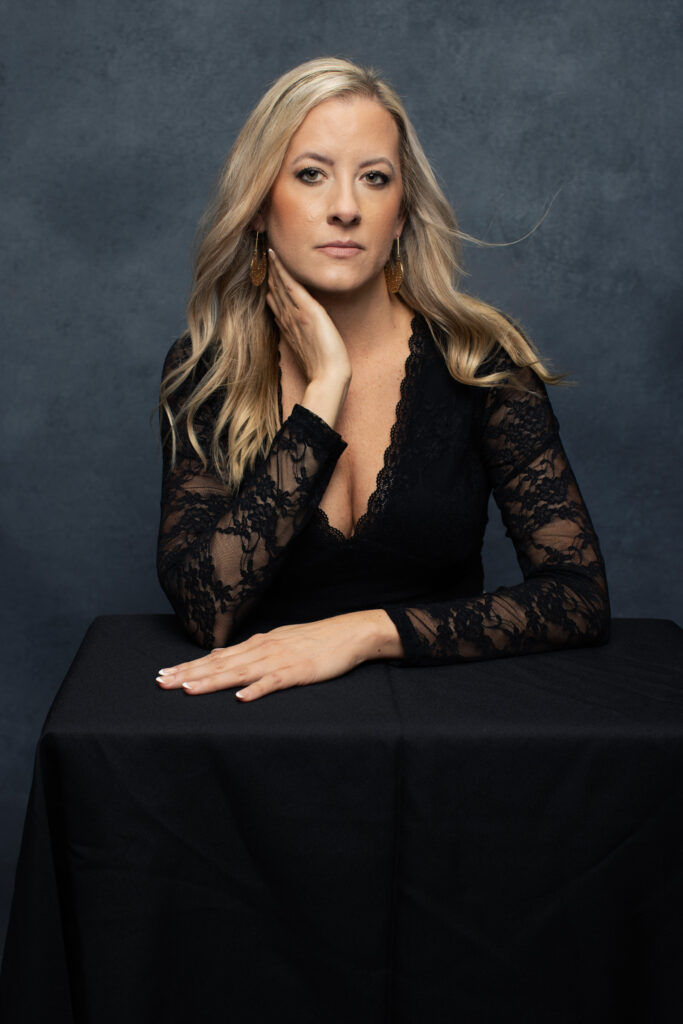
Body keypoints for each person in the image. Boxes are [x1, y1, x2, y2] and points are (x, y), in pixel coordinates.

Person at [154, 56, 610, 703]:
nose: (345, 208)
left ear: (399, 215)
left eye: (374, 178)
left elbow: (578, 597)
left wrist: (365, 633)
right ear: (258, 207)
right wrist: (324, 388)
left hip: (448, 729)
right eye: (311, 175)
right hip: (258, 728)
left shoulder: (479, 360)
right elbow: (207, 609)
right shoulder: (208, 369)